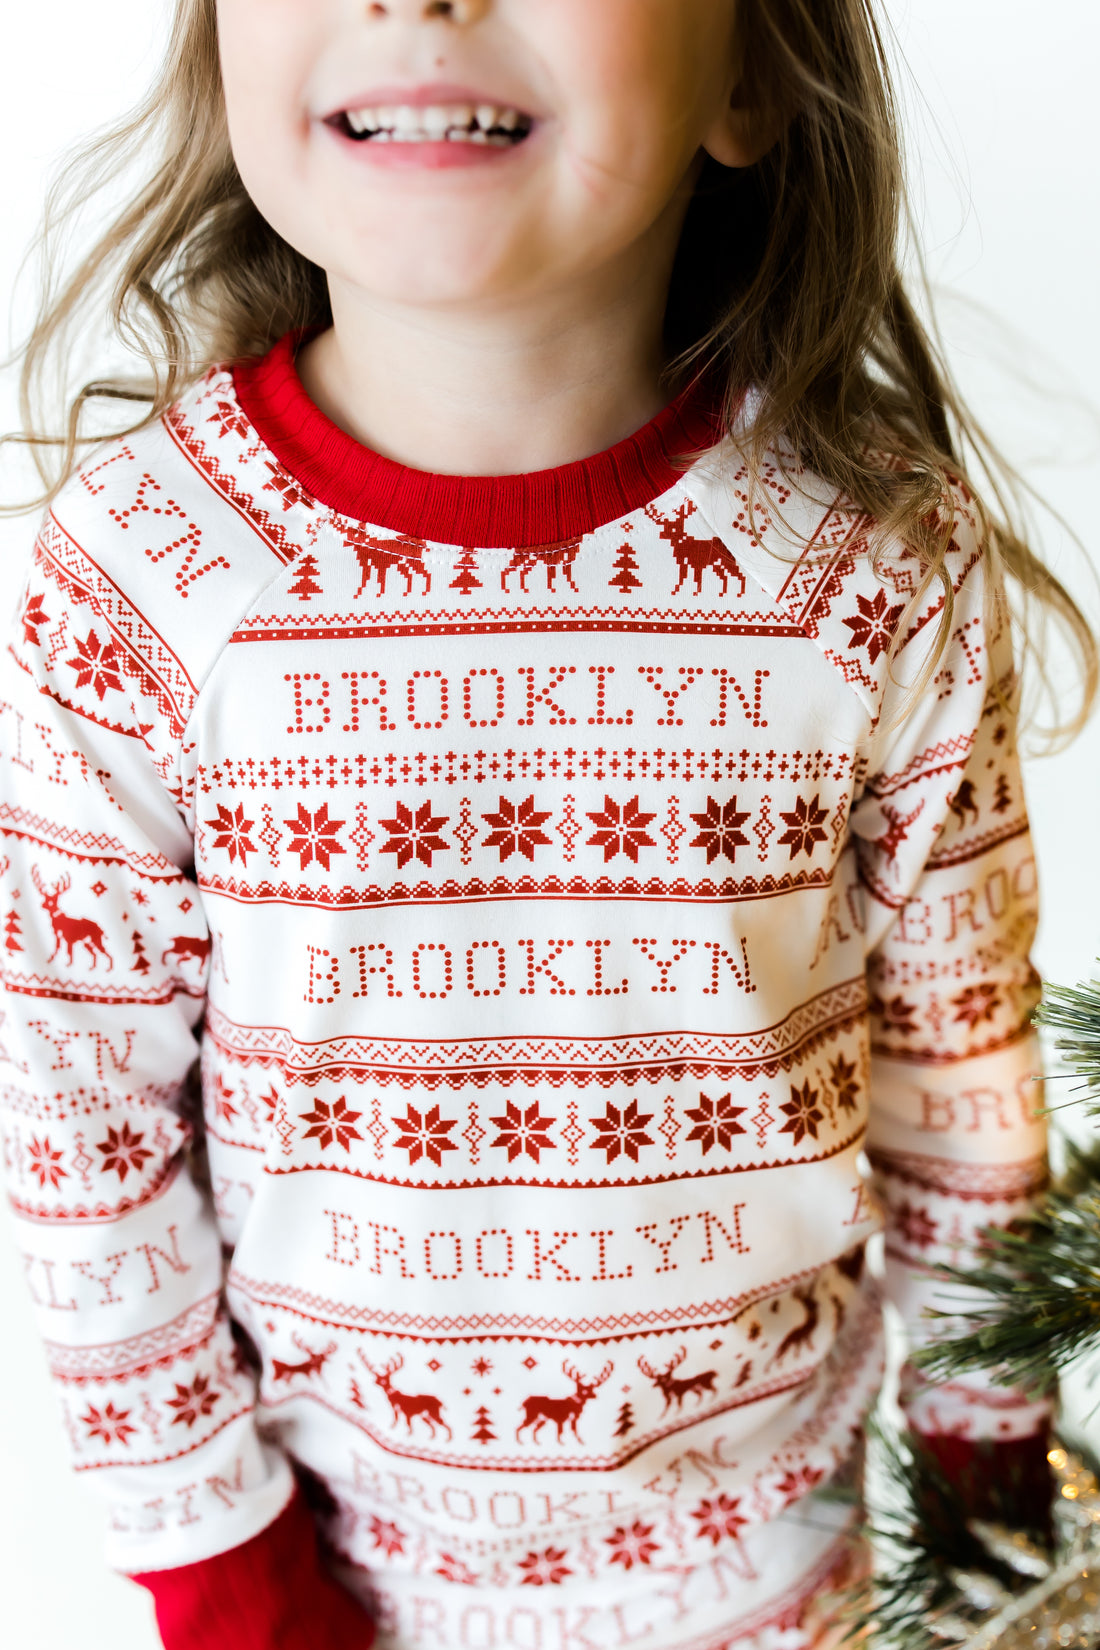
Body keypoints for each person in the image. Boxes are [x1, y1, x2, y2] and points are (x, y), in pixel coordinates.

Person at [1, 1, 1093, 1647]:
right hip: (330, 1595)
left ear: (745, 70)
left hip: (786, 1584)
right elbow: (77, 1137)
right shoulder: (140, 575)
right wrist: (226, 1576)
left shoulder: (874, 571)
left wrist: (989, 1522)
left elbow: (963, 1090)